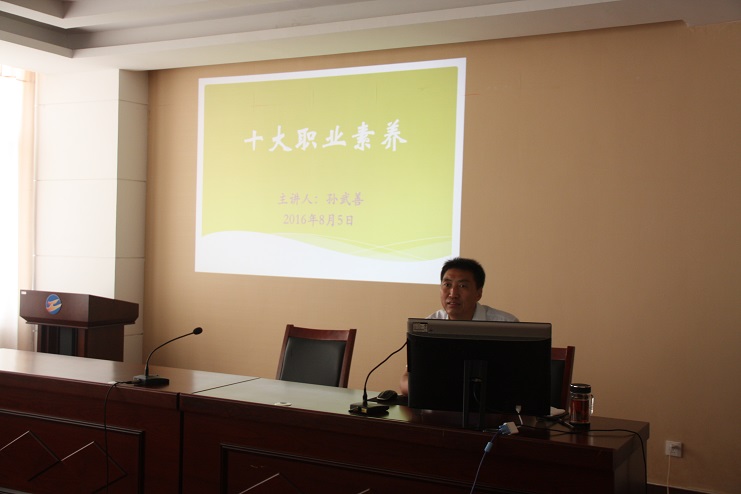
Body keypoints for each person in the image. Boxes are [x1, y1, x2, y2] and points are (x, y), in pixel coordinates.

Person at [399, 257, 518, 395]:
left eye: (462, 286)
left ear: (479, 293)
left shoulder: (505, 325)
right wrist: (427, 389)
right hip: (439, 402)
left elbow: (518, 379)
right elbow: (406, 379)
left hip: (491, 404)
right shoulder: (429, 325)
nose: (453, 293)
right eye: (447, 285)